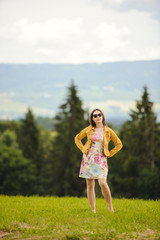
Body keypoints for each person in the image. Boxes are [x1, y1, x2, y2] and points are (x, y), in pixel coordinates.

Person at [75, 108, 123, 213]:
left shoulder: (108, 131)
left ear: (102, 116)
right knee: (90, 185)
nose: (97, 117)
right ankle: (93, 210)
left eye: (99, 115)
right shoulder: (89, 129)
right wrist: (83, 149)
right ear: (92, 118)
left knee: (102, 182)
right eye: (95, 115)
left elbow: (119, 144)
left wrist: (110, 153)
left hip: (101, 159)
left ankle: (110, 207)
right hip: (88, 158)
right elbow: (77, 138)